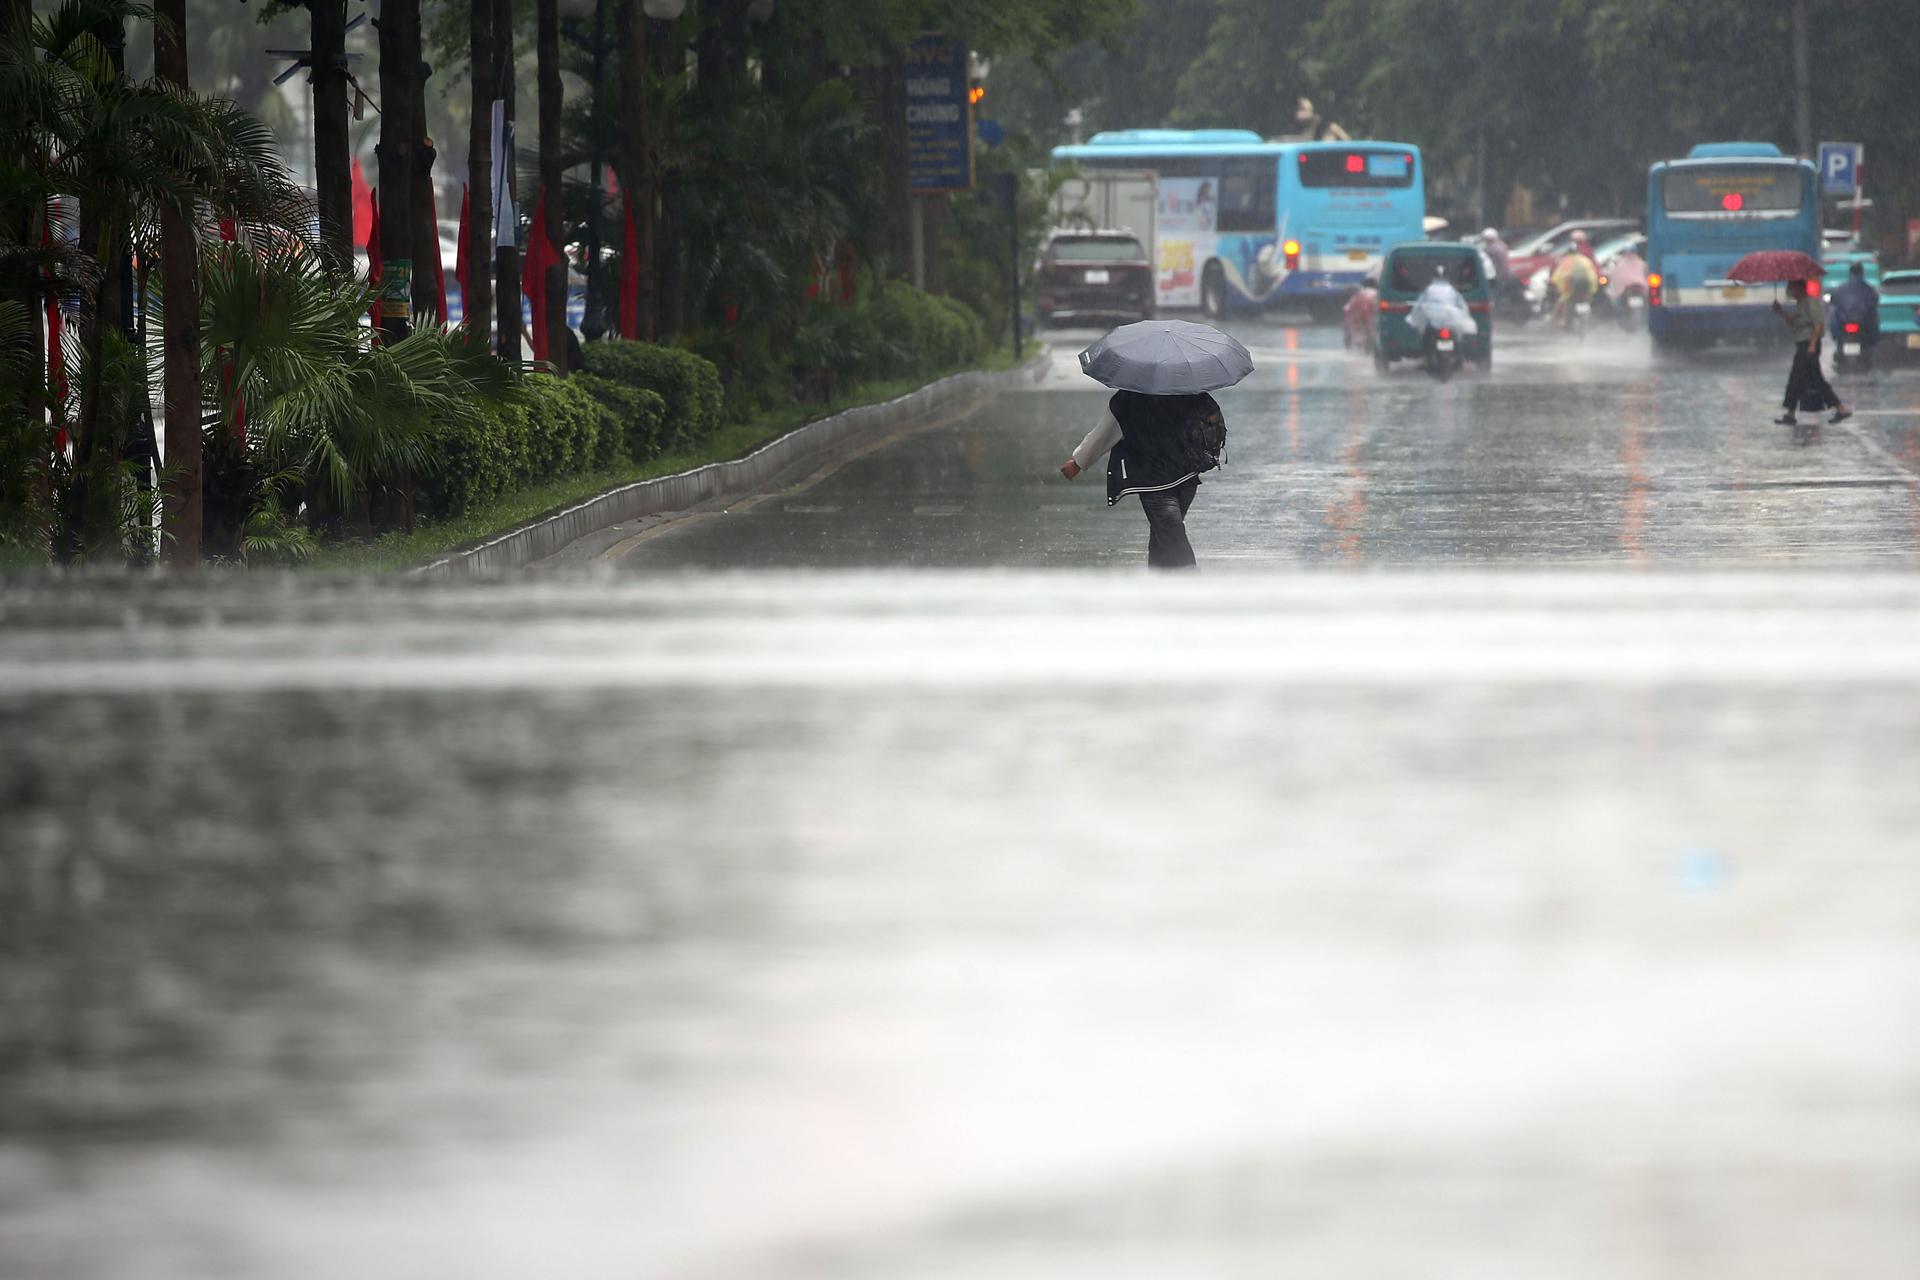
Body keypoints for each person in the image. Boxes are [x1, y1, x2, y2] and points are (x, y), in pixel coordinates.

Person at [1060, 390, 1225, 569]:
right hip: (1187, 476)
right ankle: (1157, 579)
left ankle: (1188, 578)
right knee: (1163, 529)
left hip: (1153, 480)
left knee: (1168, 529)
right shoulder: (1189, 389)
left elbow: (1103, 435)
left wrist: (1078, 463)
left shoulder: (1128, 398)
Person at [1773, 277, 1851, 431]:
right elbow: (1794, 324)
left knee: (1801, 378)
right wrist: (1780, 311)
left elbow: (1818, 325)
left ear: (1799, 288)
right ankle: (1840, 409)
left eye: (1791, 287)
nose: (1789, 290)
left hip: (1809, 345)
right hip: (1803, 344)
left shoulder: (1811, 302)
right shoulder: (1801, 304)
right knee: (1810, 378)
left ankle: (1791, 413)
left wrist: (1813, 344)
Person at [1827, 261, 1880, 350]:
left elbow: (1833, 301)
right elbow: (1874, 303)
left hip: (1845, 323)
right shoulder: (1869, 289)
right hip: (1862, 324)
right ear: (1862, 272)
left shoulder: (1840, 289)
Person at [1549, 245, 1599, 326]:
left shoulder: (1566, 261)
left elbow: (1558, 275)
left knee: (1562, 301)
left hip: (1572, 287)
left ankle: (1555, 321)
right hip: (1586, 286)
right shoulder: (1585, 260)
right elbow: (1593, 274)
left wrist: (1552, 281)